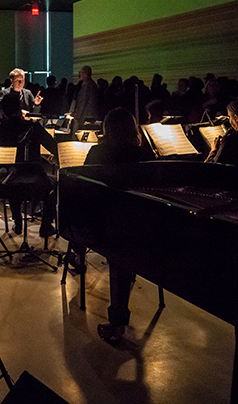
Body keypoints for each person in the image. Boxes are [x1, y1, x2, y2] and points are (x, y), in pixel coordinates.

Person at [82, 107, 154, 343]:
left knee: (119, 258)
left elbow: (85, 192)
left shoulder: (97, 153)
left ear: (107, 129)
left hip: (109, 224)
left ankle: (117, 322)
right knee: (125, 254)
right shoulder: (146, 154)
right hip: (144, 223)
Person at [0, 93, 57, 237]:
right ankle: (45, 226)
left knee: (14, 176)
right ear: (19, 108)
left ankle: (17, 221)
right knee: (52, 183)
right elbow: (53, 146)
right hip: (34, 184)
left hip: (5, 186)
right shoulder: (32, 127)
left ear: (3, 111)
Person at [70, 65, 99, 132]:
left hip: (85, 116)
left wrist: (78, 116)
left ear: (84, 73)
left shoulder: (86, 85)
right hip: (91, 115)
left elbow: (82, 102)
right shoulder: (92, 84)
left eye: (81, 72)